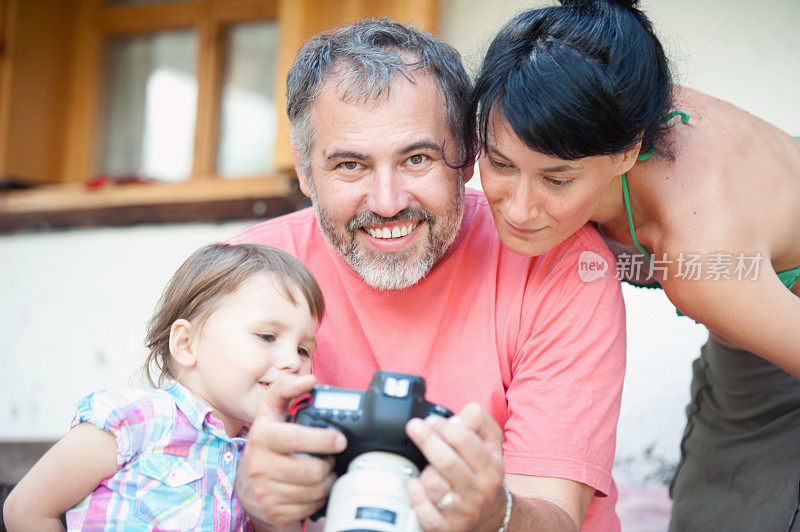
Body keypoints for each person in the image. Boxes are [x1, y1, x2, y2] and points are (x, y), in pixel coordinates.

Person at [228, 18, 626, 532]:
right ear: (305, 171)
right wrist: (254, 502)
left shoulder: (563, 266)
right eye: (350, 165)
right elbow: (167, 468)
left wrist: (492, 515)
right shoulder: (244, 272)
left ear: (466, 158)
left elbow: (554, 514)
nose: (388, 202)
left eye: (418, 158)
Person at [465, 1, 800, 530]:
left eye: (556, 180)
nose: (519, 208)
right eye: (500, 164)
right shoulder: (601, 87)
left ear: (628, 152)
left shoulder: (697, 255)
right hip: (757, 310)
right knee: (715, 503)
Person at [2, 243, 325, 531]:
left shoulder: (269, 452)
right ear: (186, 343)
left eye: (303, 349)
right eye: (267, 336)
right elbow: (26, 509)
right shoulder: (134, 418)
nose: (292, 362)